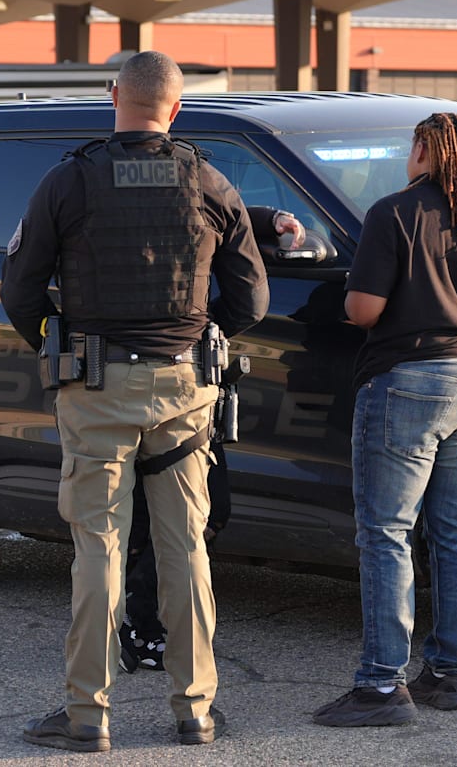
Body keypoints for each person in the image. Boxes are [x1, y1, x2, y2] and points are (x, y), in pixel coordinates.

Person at [1, 50, 269, 752]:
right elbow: (252, 299)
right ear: (176, 107)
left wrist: (54, 346)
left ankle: (88, 716)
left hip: (96, 387)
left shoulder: (68, 182)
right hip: (185, 389)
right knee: (185, 551)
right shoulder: (209, 182)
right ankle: (196, 711)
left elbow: (19, 292)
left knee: (100, 547)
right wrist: (202, 339)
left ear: (113, 95)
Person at [312, 112, 457, 728]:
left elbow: (364, 308)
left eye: (412, 146)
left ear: (426, 149)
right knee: (456, 528)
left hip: (408, 379)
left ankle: (380, 687)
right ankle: (448, 674)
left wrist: (353, 297)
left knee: (386, 533)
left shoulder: (394, 214)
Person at [118, 209, 303, 676]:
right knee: (160, 515)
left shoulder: (187, 178)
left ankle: (142, 628)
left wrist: (272, 219)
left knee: (197, 509)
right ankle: (142, 631)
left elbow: (223, 212)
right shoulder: (99, 183)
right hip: (145, 374)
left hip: (173, 374)